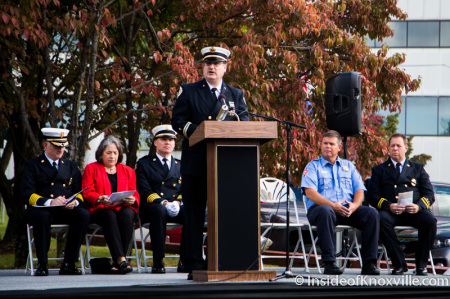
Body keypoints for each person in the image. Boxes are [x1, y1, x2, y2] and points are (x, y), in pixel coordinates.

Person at [171, 46, 249, 279]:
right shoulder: (189, 91)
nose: (211, 67)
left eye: (216, 64)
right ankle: (193, 260)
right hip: (196, 162)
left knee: (223, 213)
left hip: (225, 165)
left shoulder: (235, 94)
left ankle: (223, 257)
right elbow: (178, 121)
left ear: (225, 67)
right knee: (194, 214)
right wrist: (201, 132)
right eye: (207, 64)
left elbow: (244, 121)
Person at [301, 130, 380, 275]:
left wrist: (355, 205)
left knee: (372, 214)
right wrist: (332, 205)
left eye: (331, 144)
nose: (327, 146)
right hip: (321, 210)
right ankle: (329, 263)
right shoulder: (313, 166)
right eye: (325, 143)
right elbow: (310, 192)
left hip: (346, 210)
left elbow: (359, 190)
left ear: (339, 147)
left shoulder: (348, 166)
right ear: (320, 145)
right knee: (326, 211)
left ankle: (369, 263)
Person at [21, 128, 90, 276]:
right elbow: (26, 194)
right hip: (41, 209)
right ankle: (42, 264)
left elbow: (80, 192)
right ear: (45, 145)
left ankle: (69, 263)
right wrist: (49, 202)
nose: (60, 149)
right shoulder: (32, 165)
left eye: (63, 146)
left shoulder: (71, 165)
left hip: (65, 209)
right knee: (42, 217)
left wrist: (75, 202)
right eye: (56, 146)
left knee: (83, 215)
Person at [368, 133, 436, 276]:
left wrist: (419, 206)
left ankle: (421, 266)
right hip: (392, 213)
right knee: (380, 219)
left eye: (398, 145)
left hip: (414, 212)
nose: (395, 148)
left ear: (405, 148)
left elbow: (429, 194)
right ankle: (399, 264)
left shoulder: (417, 168)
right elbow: (372, 196)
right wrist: (388, 206)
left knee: (430, 221)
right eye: (392, 145)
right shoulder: (379, 170)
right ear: (388, 148)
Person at [82, 135, 140, 274]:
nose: (112, 156)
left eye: (115, 153)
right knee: (109, 215)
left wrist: (133, 199)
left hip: (121, 207)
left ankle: (118, 262)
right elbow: (87, 191)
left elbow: (135, 192)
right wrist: (100, 198)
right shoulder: (91, 168)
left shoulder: (128, 170)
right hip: (100, 209)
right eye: (108, 153)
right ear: (101, 154)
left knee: (127, 214)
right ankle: (121, 259)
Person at [136, 124, 185, 274]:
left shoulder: (180, 165)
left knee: (191, 211)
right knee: (159, 211)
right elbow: (144, 190)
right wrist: (163, 202)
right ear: (155, 142)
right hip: (153, 207)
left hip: (175, 206)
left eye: (171, 139)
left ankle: (186, 259)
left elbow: (185, 189)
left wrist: (177, 202)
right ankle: (158, 260)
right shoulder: (144, 164)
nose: (168, 143)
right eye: (164, 139)